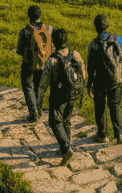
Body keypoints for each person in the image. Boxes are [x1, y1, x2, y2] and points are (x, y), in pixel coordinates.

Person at [37, 28, 85, 167]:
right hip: (74, 93)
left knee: (54, 121)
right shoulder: (75, 54)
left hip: (58, 96)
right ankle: (66, 145)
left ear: (54, 42)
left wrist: (39, 103)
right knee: (66, 120)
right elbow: (83, 72)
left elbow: (43, 85)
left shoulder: (51, 60)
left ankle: (65, 149)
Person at [86, 13, 122, 144]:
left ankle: (103, 134)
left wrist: (89, 83)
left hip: (100, 80)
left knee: (100, 107)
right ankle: (120, 135)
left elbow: (90, 67)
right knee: (115, 105)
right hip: (117, 78)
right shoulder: (117, 39)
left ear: (96, 27)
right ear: (107, 25)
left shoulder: (93, 44)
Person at [16, 5, 53, 121]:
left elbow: (19, 51)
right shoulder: (49, 29)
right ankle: (39, 110)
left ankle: (34, 113)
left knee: (28, 86)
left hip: (29, 63)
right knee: (39, 87)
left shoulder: (25, 31)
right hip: (45, 63)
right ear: (40, 15)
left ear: (29, 16)